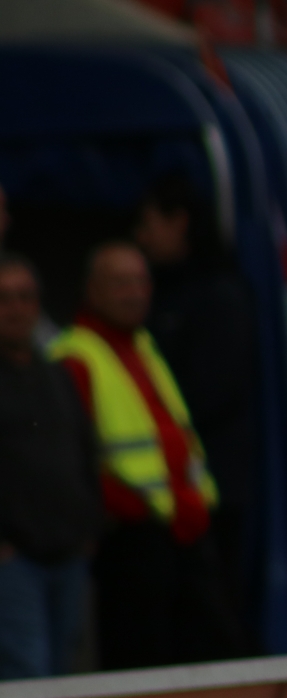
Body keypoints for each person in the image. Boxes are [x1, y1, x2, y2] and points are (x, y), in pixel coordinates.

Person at [51, 242, 244, 670]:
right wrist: (121, 508)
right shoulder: (74, 354)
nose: (135, 293)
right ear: (92, 290)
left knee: (212, 650)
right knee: (143, 661)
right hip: (129, 535)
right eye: (121, 283)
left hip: (181, 525)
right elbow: (73, 459)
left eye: (141, 281)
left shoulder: (142, 343)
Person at [131, 173, 259, 630]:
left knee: (211, 614)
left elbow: (212, 392)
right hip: (164, 494)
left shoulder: (216, 295)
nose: (142, 238)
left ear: (179, 222)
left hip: (210, 491)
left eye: (148, 225)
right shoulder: (161, 295)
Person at [0, 254, 101, 680]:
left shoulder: (57, 373)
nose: (17, 308)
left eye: (26, 297)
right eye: (5, 298)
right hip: (14, 561)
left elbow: (85, 449)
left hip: (68, 554)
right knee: (28, 674)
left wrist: (89, 527)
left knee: (63, 678)